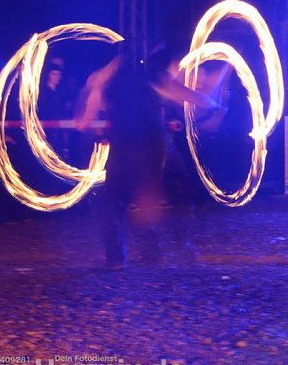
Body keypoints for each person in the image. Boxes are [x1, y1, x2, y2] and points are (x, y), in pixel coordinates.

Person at [77, 44, 222, 268]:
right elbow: (192, 97)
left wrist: (89, 101)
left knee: (113, 199)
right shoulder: (151, 78)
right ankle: (155, 251)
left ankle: (120, 256)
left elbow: (85, 120)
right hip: (152, 146)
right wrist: (214, 104)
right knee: (138, 198)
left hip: (130, 146)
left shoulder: (108, 83)